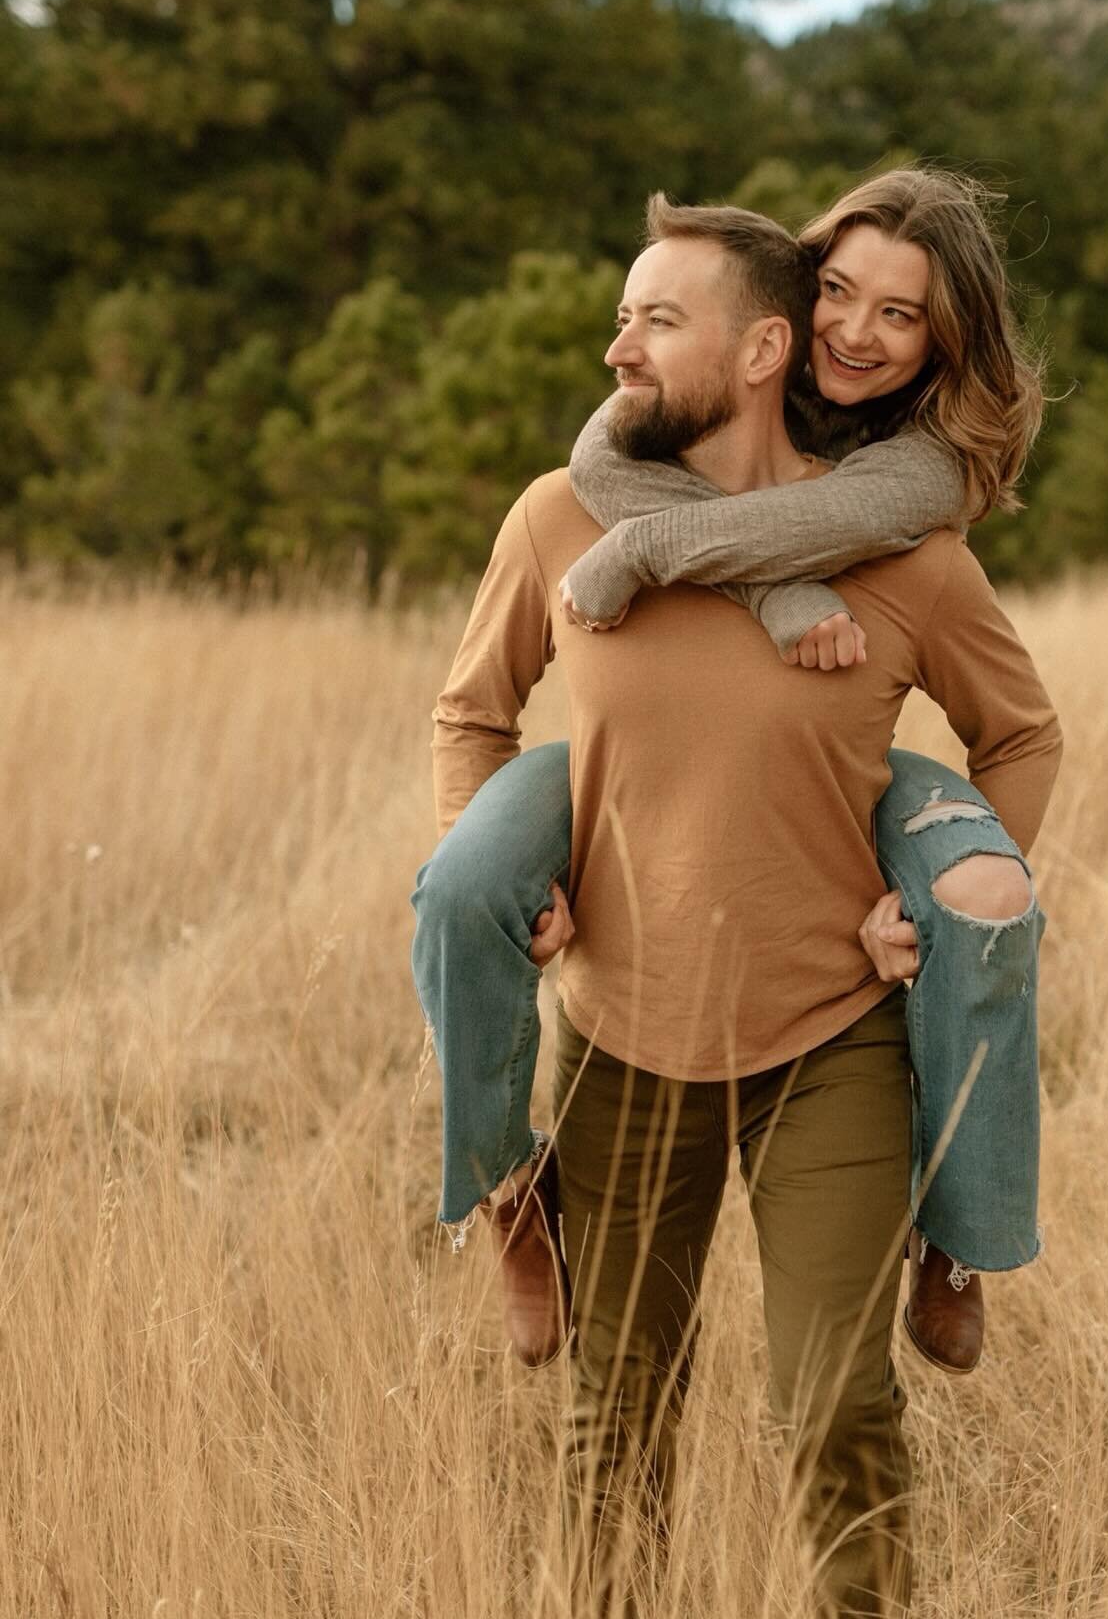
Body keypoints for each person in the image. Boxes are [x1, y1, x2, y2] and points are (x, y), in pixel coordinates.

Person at [413, 191, 1061, 1615]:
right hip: (623, 1036)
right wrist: (507, 872)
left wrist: (934, 915)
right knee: (613, 1422)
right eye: (625, 317)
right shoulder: (560, 514)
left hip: (829, 1037)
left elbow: (1021, 733)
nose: (618, 353)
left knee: (837, 1412)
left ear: (762, 349)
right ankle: (504, 1194)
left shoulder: (908, 548)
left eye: (657, 321)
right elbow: (471, 713)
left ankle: (961, 1251)